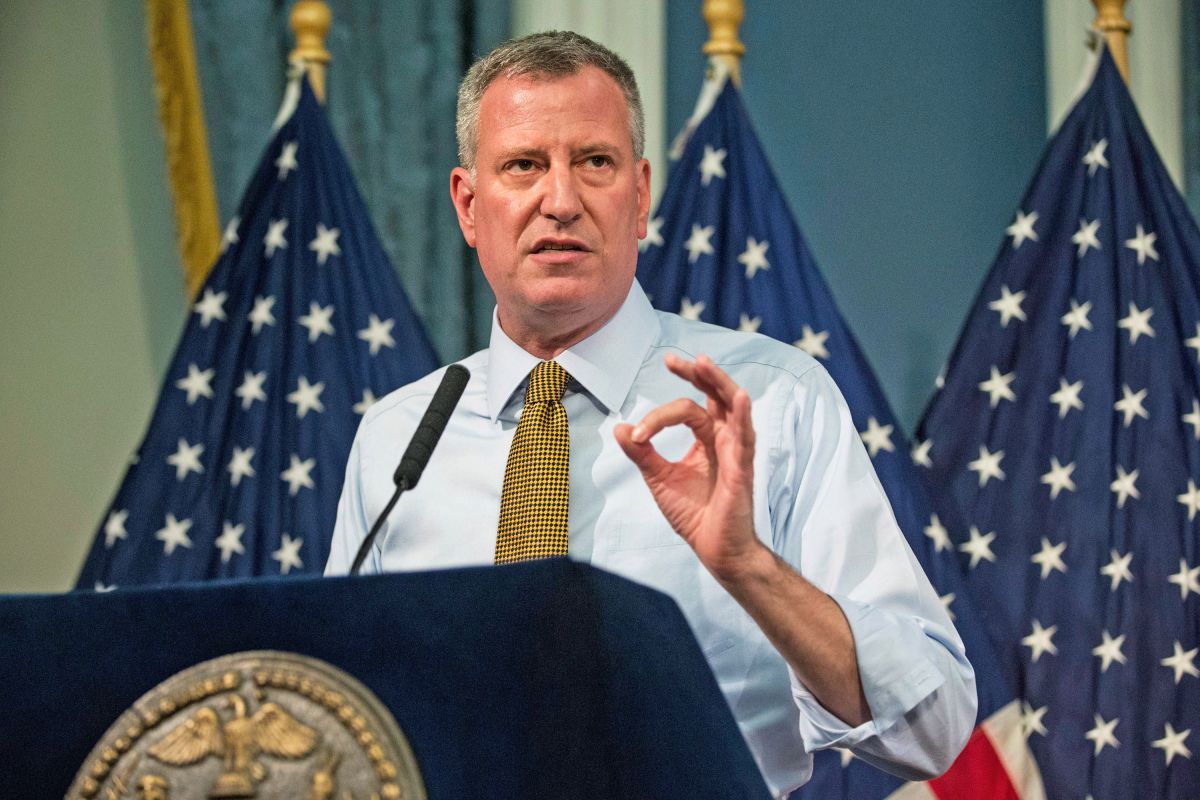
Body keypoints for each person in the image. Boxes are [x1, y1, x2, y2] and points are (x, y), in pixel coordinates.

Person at [326, 31, 976, 795]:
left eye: (594, 163)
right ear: (469, 206)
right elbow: (336, 717)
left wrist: (749, 567)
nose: (560, 201)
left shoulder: (771, 401)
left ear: (639, 196)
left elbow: (934, 727)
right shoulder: (401, 438)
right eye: (524, 165)